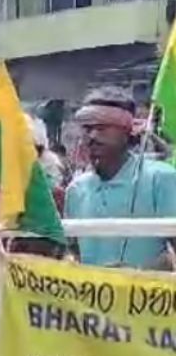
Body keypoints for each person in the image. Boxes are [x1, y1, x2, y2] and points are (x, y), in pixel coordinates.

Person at [64, 86, 176, 270]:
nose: (91, 136)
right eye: (87, 128)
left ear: (126, 132)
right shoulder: (76, 190)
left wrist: (137, 274)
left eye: (101, 128)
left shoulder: (161, 179)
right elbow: (72, 251)